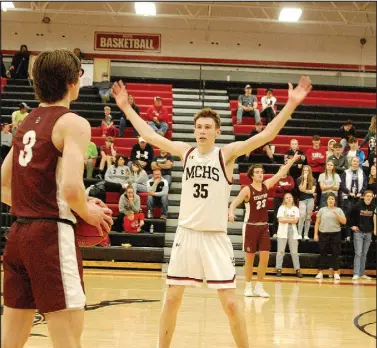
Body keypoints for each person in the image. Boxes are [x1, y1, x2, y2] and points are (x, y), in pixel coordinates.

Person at [112, 76, 312, 348]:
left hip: (215, 238)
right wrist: (125, 107)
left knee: (230, 304)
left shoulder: (226, 154)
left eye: (207, 127)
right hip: (186, 235)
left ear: (217, 131)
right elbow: (150, 135)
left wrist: (290, 105)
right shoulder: (186, 152)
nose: (202, 131)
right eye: (198, 127)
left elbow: (266, 136)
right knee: (171, 299)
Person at [1, 49, 112, 348]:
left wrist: (36, 205)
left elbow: (2, 185)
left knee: (10, 340)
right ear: (73, 81)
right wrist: (88, 213)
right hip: (52, 236)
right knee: (67, 339)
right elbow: (72, 190)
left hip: (18, 235)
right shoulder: (73, 122)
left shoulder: (24, 123)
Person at [229, 155, 299, 298]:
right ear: (252, 176)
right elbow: (234, 203)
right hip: (250, 226)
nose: (260, 174)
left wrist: (292, 160)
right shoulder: (247, 190)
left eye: (261, 172)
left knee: (265, 258)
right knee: (249, 259)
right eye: (257, 172)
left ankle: (259, 287)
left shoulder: (266, 185)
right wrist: (231, 213)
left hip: (264, 227)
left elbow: (280, 173)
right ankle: (248, 286)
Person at [314, 193, 347, 281]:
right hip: (323, 233)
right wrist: (315, 234)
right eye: (329, 199)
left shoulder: (339, 210)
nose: (331, 200)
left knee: (335, 253)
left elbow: (344, 221)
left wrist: (337, 214)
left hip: (336, 234)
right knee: (322, 253)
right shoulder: (322, 210)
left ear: (335, 201)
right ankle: (320, 272)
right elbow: (317, 223)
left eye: (332, 199)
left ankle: (336, 272)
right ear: (327, 200)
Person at [340, 157, 368, 241]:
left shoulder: (362, 172)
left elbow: (365, 185)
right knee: (348, 216)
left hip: (359, 197)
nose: (355, 163)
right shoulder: (345, 172)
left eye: (357, 161)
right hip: (348, 197)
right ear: (351, 162)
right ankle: (348, 236)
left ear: (359, 163)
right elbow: (342, 185)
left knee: (358, 216)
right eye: (354, 161)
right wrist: (349, 192)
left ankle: (356, 235)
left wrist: (361, 192)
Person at [350, 190, 376, 281]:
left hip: (368, 233)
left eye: (371, 196)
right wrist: (351, 226)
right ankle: (356, 273)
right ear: (363, 197)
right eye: (367, 196)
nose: (369, 198)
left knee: (364, 254)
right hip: (359, 233)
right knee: (358, 253)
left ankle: (361, 273)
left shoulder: (374, 207)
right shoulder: (357, 206)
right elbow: (348, 215)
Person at [275, 193, 303, 278]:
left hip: (293, 232)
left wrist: (286, 219)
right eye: (287, 198)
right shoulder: (281, 208)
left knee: (294, 252)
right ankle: (279, 269)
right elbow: (280, 219)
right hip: (282, 231)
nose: (289, 199)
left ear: (292, 199)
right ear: (284, 200)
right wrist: (290, 219)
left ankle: (297, 270)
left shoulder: (295, 209)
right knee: (280, 251)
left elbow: (296, 221)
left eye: (290, 197)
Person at [272, 170, 295, 238]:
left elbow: (291, 187)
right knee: (277, 215)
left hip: (286, 199)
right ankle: (275, 232)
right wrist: (286, 186)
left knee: (286, 215)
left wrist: (281, 186)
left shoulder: (290, 178)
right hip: (277, 199)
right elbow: (275, 187)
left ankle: (285, 232)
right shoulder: (277, 177)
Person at [297, 165, 316, 240]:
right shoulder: (299, 179)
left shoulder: (313, 180)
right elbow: (301, 189)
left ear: (310, 171)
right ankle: (299, 234)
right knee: (302, 216)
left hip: (310, 199)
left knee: (308, 217)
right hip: (302, 199)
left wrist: (305, 190)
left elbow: (312, 191)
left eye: (307, 170)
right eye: (304, 170)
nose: (306, 172)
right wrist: (304, 179)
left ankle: (306, 234)